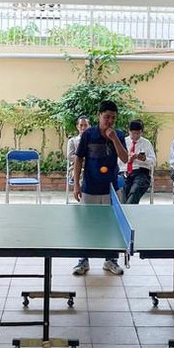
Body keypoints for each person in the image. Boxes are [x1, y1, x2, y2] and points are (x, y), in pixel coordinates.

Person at [72, 100, 129, 276]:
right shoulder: (88, 134)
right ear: (99, 116)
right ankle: (83, 260)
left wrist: (114, 139)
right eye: (106, 117)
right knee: (86, 225)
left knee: (112, 225)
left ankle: (111, 260)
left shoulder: (118, 135)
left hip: (111, 189)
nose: (109, 121)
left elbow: (125, 159)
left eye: (113, 118)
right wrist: (76, 184)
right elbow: (79, 159)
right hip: (90, 187)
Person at [122, 120, 156, 204]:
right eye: (133, 133)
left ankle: (128, 210)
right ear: (129, 131)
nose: (136, 136)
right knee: (122, 191)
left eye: (138, 133)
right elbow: (116, 161)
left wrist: (145, 159)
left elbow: (153, 162)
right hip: (124, 172)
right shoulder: (123, 142)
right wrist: (128, 159)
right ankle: (126, 210)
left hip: (141, 172)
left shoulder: (146, 143)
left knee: (135, 190)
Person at [66, 115, 91, 184]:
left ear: (89, 126)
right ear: (77, 127)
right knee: (83, 174)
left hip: (92, 166)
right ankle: (82, 193)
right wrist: (84, 158)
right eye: (81, 125)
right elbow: (70, 156)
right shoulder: (72, 141)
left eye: (86, 125)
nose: (83, 128)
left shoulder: (94, 141)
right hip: (76, 168)